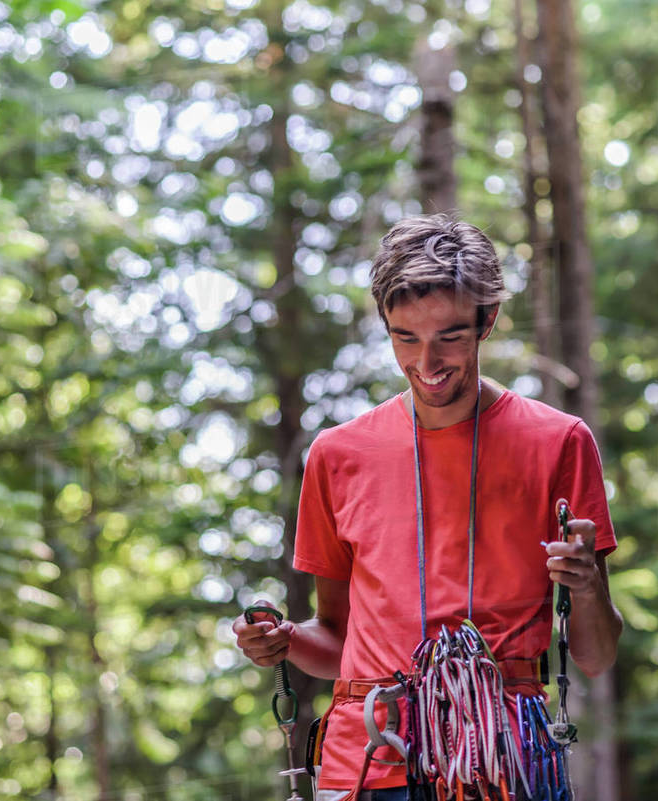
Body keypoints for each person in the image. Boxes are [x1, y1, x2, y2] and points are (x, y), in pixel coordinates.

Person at [234, 214, 622, 801]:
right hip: (364, 763)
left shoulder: (558, 443)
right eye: (404, 337)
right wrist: (283, 640)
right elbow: (339, 637)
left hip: (502, 764)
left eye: (450, 336)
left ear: (487, 321)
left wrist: (588, 585)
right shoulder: (338, 456)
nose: (427, 361)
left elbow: (594, 656)